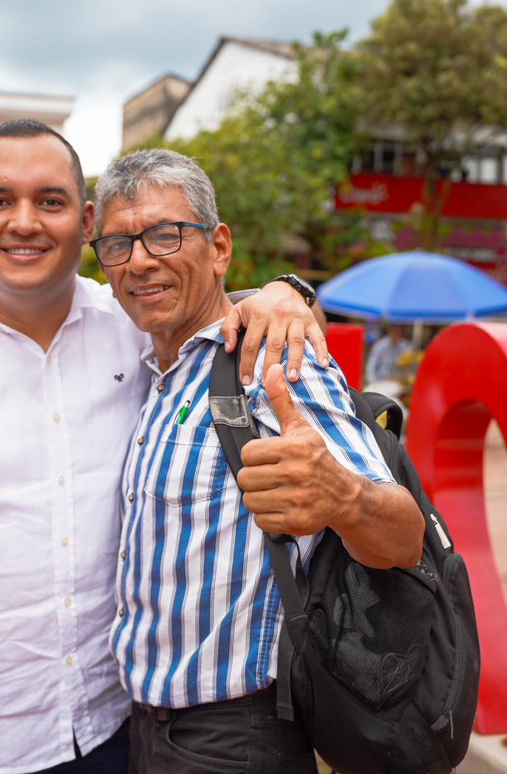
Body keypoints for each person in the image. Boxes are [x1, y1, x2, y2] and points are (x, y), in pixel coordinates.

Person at [0, 119, 325, 773]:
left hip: (111, 725)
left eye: (49, 201)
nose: (25, 222)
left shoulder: (130, 322)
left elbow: (209, 305)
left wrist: (287, 293)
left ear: (85, 222)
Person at [93, 149, 424, 772]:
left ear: (218, 247)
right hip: (142, 727)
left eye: (165, 235)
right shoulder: (149, 370)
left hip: (235, 737)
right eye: (117, 244)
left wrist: (343, 496)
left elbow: (405, 539)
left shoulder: (272, 361)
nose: (139, 261)